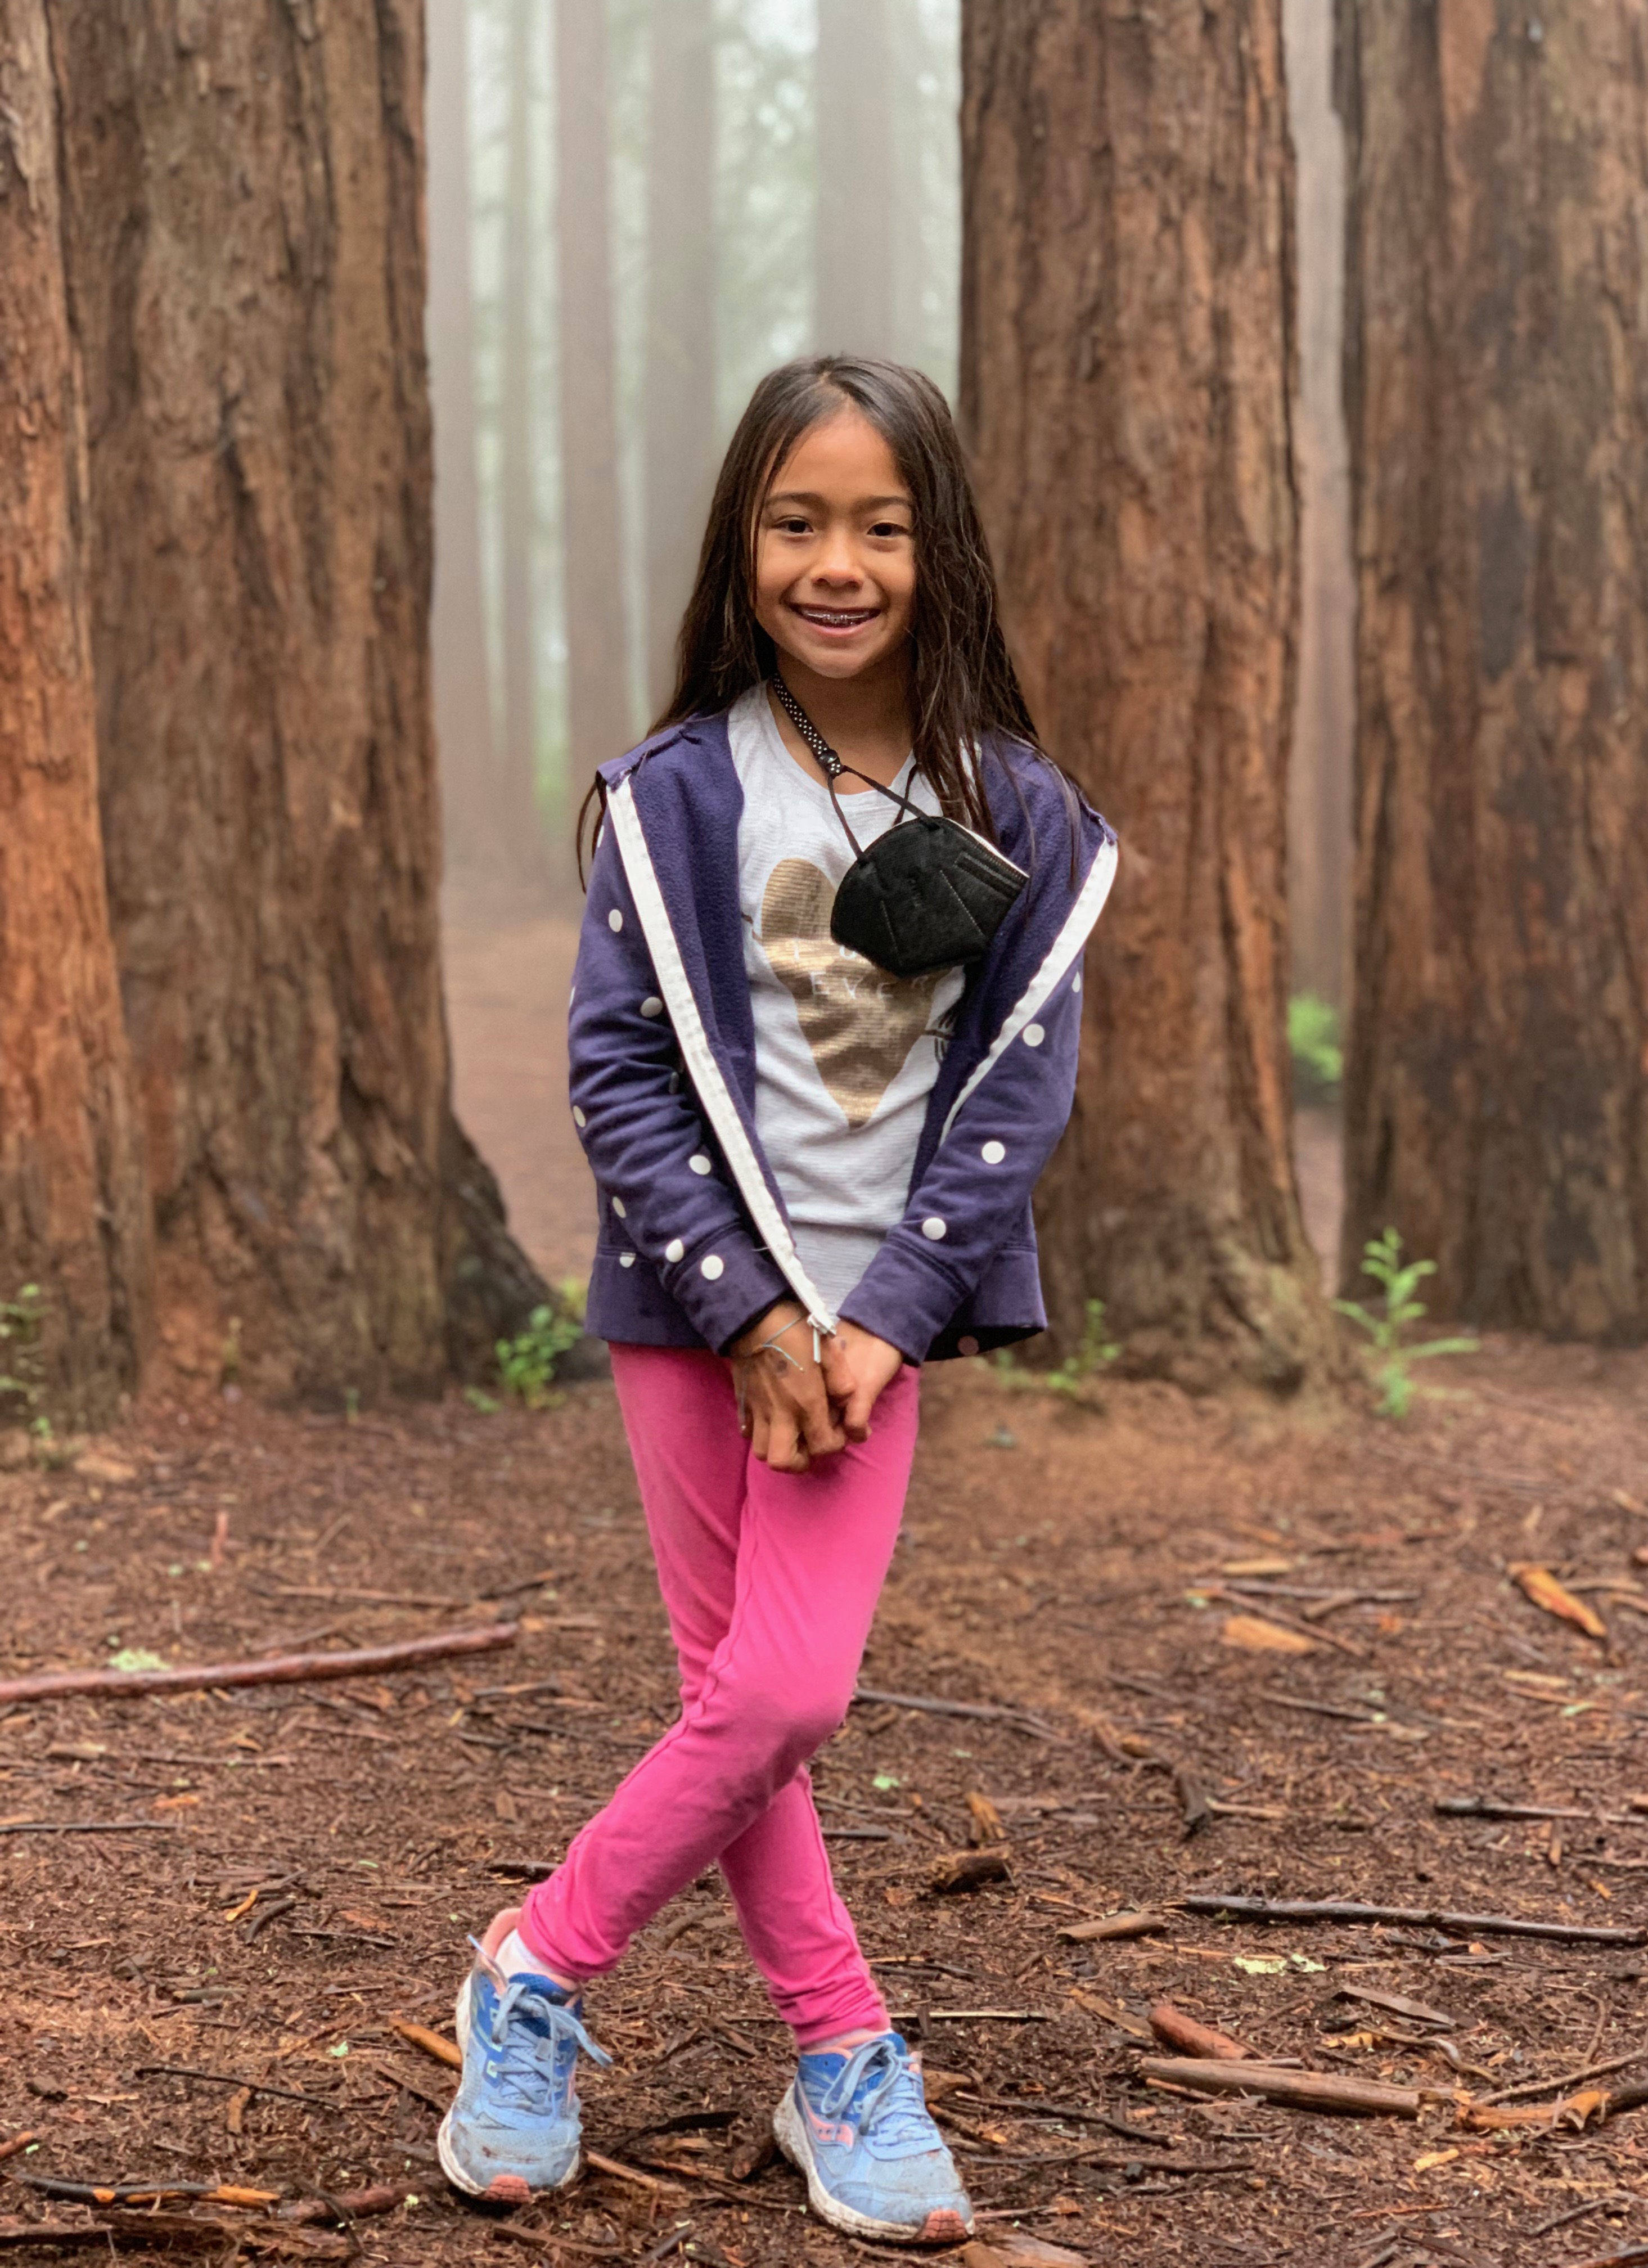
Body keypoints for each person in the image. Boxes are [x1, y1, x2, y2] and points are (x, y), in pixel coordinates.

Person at [437, 355, 1117, 2245]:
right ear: (743, 547)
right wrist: (743, 1311)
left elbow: (1016, 1097)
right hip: (691, 1313)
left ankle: (539, 1963)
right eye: (798, 521)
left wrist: (880, 1318)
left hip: (875, 1326)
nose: (839, 562)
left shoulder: (1012, 812)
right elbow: (619, 1070)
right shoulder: (675, 797)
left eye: (880, 527)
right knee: (746, 1697)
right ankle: (840, 2058)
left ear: (939, 549)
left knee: (784, 1690)